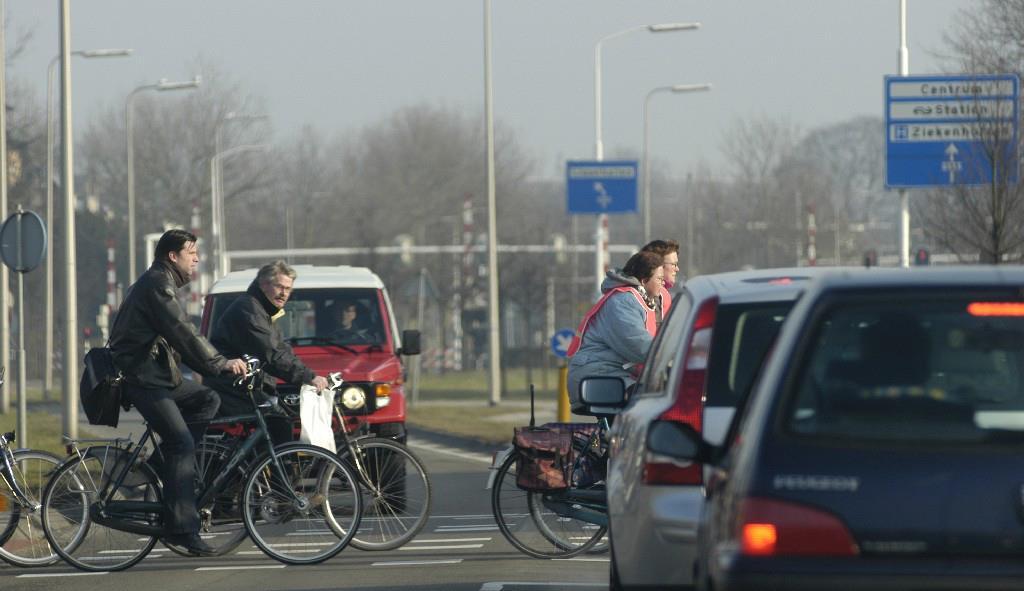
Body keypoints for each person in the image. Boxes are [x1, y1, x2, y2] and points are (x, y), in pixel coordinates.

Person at [108, 229, 247, 556]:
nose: (197, 258)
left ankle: (159, 468)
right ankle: (182, 529)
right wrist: (219, 363)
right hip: (142, 377)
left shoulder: (159, 281)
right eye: (191, 252)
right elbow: (182, 332)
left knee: (207, 399)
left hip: (156, 374)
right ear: (172, 256)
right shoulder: (158, 284)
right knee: (182, 442)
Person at [207, 260, 329, 445]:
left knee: (275, 423)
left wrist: (307, 374)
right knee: (278, 422)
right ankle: (278, 473)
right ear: (263, 284)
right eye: (279, 286)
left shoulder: (263, 310)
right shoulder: (250, 310)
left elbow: (282, 349)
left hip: (244, 382)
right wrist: (308, 377)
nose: (284, 293)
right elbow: (271, 353)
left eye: (288, 289)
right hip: (230, 383)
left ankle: (261, 469)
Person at [567, 251, 664, 412]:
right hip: (598, 377)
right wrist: (675, 357)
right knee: (657, 401)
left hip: (609, 375)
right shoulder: (623, 302)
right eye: (659, 279)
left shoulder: (633, 299)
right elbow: (638, 345)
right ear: (644, 280)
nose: (662, 284)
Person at [641, 239, 681, 327]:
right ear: (658, 265)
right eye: (673, 264)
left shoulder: (664, 295)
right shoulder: (646, 295)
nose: (677, 269)